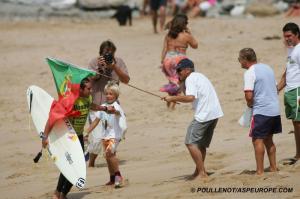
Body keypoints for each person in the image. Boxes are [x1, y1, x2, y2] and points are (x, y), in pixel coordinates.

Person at [163, 58, 223, 179]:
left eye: (179, 70)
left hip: (204, 115)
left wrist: (173, 99)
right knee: (200, 144)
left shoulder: (191, 78)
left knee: (190, 142)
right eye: (176, 71)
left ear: (187, 70)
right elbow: (188, 94)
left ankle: (202, 173)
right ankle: (199, 171)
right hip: (214, 113)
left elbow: (190, 98)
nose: (177, 73)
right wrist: (180, 83)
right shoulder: (198, 76)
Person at [42, 78, 93, 199]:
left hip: (79, 137)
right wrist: (44, 137)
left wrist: (104, 109)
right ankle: (57, 193)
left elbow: (92, 105)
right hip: (68, 138)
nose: (91, 91)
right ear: (80, 89)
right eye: (88, 89)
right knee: (69, 165)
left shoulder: (88, 98)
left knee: (76, 166)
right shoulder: (70, 100)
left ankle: (62, 194)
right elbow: (52, 118)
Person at [238, 48, 282, 175]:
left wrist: (250, 105)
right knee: (269, 140)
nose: (239, 62)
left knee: (257, 140)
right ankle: (273, 167)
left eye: (239, 59)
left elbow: (249, 96)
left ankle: (260, 171)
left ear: (245, 60)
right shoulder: (267, 68)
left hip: (262, 111)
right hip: (274, 110)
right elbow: (275, 88)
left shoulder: (250, 73)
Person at [87, 40, 130, 167]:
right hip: (96, 105)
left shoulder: (119, 62)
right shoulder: (93, 62)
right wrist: (99, 69)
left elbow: (126, 80)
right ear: (100, 54)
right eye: (105, 54)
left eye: (110, 54)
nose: (107, 57)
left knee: (113, 135)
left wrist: (114, 67)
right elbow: (87, 81)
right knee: (96, 139)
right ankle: (91, 163)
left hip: (112, 106)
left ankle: (111, 161)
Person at [85, 81, 127, 187]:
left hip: (114, 135)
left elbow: (117, 112)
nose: (108, 96)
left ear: (116, 95)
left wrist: (112, 111)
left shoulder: (116, 106)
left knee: (109, 154)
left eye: (111, 94)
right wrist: (87, 132)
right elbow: (95, 121)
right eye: (107, 93)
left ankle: (118, 177)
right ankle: (112, 178)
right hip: (105, 136)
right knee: (108, 157)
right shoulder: (103, 106)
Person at [160, 14, 198, 109]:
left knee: (172, 81)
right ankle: (173, 104)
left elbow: (164, 49)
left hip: (168, 60)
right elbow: (195, 45)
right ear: (184, 24)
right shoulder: (186, 36)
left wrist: (162, 61)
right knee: (181, 82)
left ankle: (169, 100)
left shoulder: (169, 35)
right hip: (179, 60)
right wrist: (190, 33)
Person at [277, 22, 300, 163]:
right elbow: (288, 71)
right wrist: (278, 88)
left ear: (297, 34)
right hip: (290, 90)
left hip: (298, 90)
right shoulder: (291, 50)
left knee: (298, 123)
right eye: (285, 36)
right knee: (295, 123)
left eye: (289, 36)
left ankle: (299, 155)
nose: (286, 39)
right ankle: (298, 154)